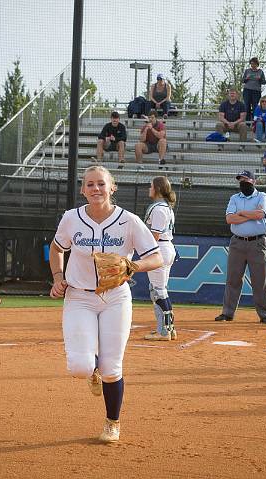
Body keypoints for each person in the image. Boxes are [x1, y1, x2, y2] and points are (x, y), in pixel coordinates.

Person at [48, 165, 163, 443]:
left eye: (101, 184)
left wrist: (131, 264)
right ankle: (92, 369)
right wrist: (58, 277)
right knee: (80, 367)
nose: (95, 189)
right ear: (82, 190)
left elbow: (157, 257)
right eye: (90, 184)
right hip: (79, 296)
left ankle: (112, 422)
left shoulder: (129, 220)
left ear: (112, 187)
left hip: (115, 297)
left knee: (113, 369)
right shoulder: (71, 218)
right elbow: (56, 248)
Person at [215, 171, 266, 324]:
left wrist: (241, 213)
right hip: (237, 242)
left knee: (260, 280)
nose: (242, 182)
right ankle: (227, 313)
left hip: (257, 242)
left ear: (253, 181)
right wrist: (250, 214)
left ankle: (265, 314)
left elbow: (261, 215)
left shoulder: (262, 196)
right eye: (240, 180)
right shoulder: (234, 198)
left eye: (245, 179)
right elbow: (229, 218)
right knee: (233, 279)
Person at [143, 176, 178, 341]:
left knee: (157, 291)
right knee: (161, 289)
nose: (149, 189)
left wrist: (142, 249)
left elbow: (154, 236)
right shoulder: (166, 207)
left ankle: (163, 330)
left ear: (157, 188)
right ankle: (169, 327)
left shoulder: (158, 208)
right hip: (167, 247)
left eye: (151, 186)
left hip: (160, 249)